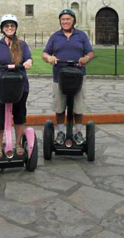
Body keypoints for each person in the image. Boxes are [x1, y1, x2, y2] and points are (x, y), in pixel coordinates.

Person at [0, 14, 33, 159]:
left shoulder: (22, 45)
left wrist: (28, 63)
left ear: (15, 28)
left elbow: (28, 58)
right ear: (2, 29)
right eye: (7, 26)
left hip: (19, 84)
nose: (10, 28)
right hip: (0, 85)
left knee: (20, 114)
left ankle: (19, 144)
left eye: (12, 26)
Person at [42, 9, 94, 146]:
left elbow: (90, 53)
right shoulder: (55, 36)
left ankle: (77, 132)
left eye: (68, 19)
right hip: (59, 77)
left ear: (73, 21)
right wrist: (50, 58)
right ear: (60, 21)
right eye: (63, 19)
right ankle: (60, 132)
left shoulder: (81, 36)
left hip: (78, 76)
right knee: (59, 107)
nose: (65, 21)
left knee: (78, 106)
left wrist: (85, 58)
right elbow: (45, 53)